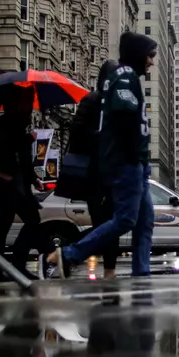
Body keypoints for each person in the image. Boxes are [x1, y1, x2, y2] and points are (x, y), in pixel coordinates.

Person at [45, 32, 157, 279]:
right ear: (139, 54)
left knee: (144, 221)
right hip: (127, 162)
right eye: (150, 55)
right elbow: (124, 118)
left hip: (135, 162)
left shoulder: (126, 77)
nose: (151, 62)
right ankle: (68, 255)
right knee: (126, 219)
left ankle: (141, 273)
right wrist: (132, 157)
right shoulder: (125, 77)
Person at [64, 60, 120, 279]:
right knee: (103, 224)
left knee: (111, 224)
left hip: (110, 172)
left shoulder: (115, 103)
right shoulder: (93, 100)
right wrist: (97, 137)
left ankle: (109, 270)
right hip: (94, 174)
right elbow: (76, 129)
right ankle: (65, 253)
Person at [0, 84, 45, 282]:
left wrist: (34, 178)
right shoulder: (8, 123)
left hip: (13, 185)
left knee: (3, 227)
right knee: (30, 221)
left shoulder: (15, 122)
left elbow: (22, 159)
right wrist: (27, 140)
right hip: (8, 185)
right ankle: (14, 266)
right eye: (28, 99)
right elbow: (9, 154)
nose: (30, 104)